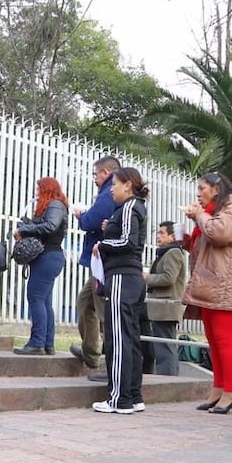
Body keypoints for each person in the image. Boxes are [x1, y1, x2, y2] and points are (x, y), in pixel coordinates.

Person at [183, 172, 232, 415]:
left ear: (216, 188)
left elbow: (219, 233)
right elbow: (206, 240)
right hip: (211, 283)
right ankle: (218, 388)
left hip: (228, 283)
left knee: (225, 340)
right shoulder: (215, 210)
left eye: (202, 188)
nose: (198, 194)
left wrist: (199, 216)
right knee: (213, 340)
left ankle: (231, 392)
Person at [91, 167, 148, 413]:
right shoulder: (134, 208)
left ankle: (118, 398)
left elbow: (128, 241)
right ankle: (133, 395)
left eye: (114, 184)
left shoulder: (128, 207)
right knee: (131, 337)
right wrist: (109, 228)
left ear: (127, 185)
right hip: (132, 280)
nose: (111, 188)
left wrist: (102, 244)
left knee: (118, 338)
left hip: (122, 279)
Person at [71, 155, 120, 371]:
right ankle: (90, 352)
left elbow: (91, 220)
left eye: (96, 174)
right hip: (99, 260)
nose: (95, 179)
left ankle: (109, 363)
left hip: (103, 260)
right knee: (85, 303)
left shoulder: (108, 193)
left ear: (105, 173)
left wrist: (82, 216)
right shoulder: (109, 192)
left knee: (103, 312)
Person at [13, 177, 68, 355]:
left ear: (47, 190)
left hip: (48, 256)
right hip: (49, 257)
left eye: (39, 189)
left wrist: (25, 230)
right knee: (45, 301)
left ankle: (37, 342)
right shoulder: (55, 206)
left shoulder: (55, 205)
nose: (36, 193)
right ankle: (47, 343)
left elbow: (51, 226)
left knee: (35, 297)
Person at [143, 221, 188, 376]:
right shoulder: (166, 252)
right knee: (163, 344)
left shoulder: (173, 253)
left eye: (162, 233)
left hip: (166, 307)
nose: (158, 236)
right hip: (161, 307)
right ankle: (168, 376)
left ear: (172, 236)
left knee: (165, 346)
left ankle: (168, 378)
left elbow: (169, 278)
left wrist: (148, 278)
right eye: (158, 232)